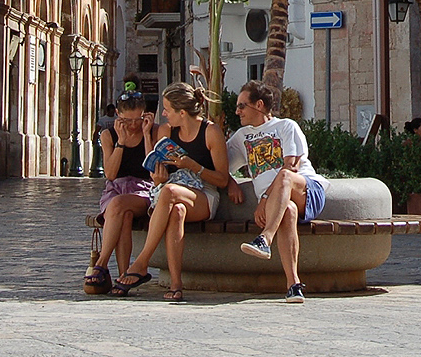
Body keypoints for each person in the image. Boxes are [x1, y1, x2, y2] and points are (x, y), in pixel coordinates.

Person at [109, 82, 243, 301]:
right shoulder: (167, 131)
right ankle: (176, 284)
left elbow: (221, 179)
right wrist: (158, 178)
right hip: (173, 193)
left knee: (170, 192)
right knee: (176, 211)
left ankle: (141, 262)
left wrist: (192, 165)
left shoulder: (210, 132)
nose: (163, 114)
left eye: (167, 109)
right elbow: (158, 171)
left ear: (182, 112)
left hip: (204, 194)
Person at [229, 79, 326, 303]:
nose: (237, 111)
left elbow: (290, 166)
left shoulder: (286, 126)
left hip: (306, 190)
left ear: (259, 105)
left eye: (242, 105)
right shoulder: (242, 137)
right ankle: (293, 285)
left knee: (284, 176)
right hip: (281, 202)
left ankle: (265, 239)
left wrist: (264, 199)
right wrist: (231, 182)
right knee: (287, 212)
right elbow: (218, 164)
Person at [83, 90, 157, 295]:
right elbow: (111, 173)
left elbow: (152, 171)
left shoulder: (153, 131)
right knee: (123, 215)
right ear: (117, 115)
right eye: (127, 120)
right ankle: (124, 276)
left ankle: (102, 263)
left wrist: (146, 134)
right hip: (116, 189)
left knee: (118, 205)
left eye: (138, 119)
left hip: (143, 190)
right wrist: (121, 142)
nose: (133, 124)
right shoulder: (109, 135)